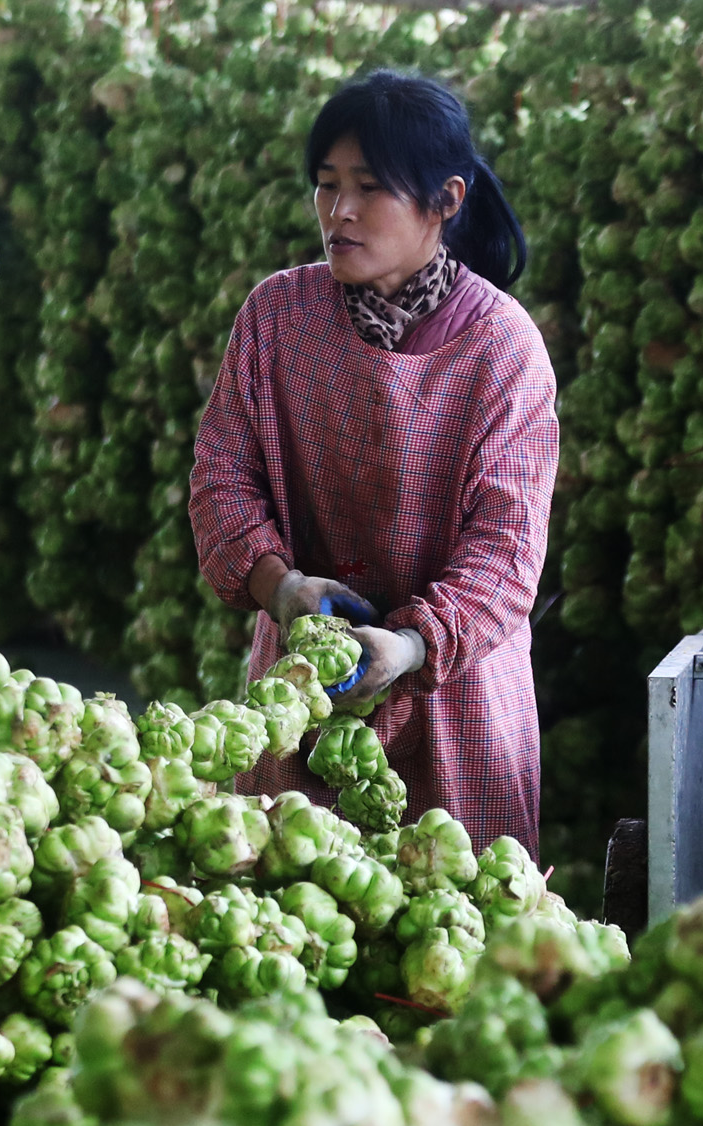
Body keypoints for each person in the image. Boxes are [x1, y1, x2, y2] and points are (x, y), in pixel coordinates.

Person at [190, 69, 559, 855]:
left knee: (453, 942)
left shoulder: (503, 349)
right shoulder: (276, 316)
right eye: (326, 186)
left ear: (448, 201)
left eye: (368, 188)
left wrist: (413, 645)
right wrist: (281, 587)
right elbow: (221, 479)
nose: (340, 212)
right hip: (301, 692)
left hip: (455, 699)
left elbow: (506, 553)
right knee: (288, 936)